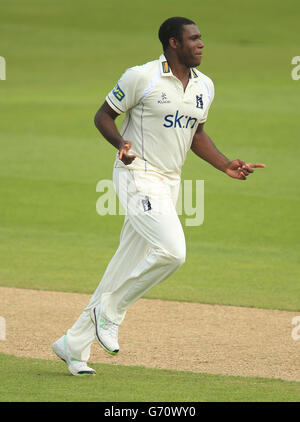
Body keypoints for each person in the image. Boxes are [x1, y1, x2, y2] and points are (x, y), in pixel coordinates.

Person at [52, 17, 265, 376]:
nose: (201, 44)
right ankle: (111, 311)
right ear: (173, 43)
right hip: (137, 175)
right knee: (172, 252)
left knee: (121, 266)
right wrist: (122, 145)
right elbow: (103, 115)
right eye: (193, 39)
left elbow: (196, 133)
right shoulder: (142, 76)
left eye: (201, 38)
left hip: (169, 183)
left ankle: (73, 344)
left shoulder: (205, 86)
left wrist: (225, 164)